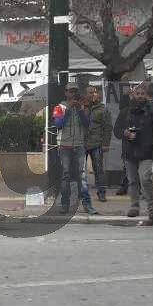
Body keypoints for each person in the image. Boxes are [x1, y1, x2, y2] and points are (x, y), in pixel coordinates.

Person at [112, 83, 153, 224]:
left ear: (146, 95)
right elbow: (116, 131)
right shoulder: (125, 112)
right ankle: (134, 206)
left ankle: (152, 209)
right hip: (129, 151)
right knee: (132, 181)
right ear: (133, 95)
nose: (140, 96)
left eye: (142, 94)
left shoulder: (152, 111)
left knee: (145, 179)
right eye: (137, 93)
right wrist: (125, 133)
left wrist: (150, 142)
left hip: (146, 152)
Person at [52, 86, 100, 215]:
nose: (73, 94)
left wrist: (79, 110)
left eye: (75, 91)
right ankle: (65, 204)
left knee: (82, 176)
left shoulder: (82, 107)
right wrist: (68, 109)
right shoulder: (59, 107)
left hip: (79, 146)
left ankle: (87, 205)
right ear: (66, 93)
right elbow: (59, 124)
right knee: (65, 175)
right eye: (71, 91)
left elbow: (87, 124)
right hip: (64, 146)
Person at [83, 86, 112, 202]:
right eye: (91, 92)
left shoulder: (103, 109)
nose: (94, 94)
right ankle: (81, 192)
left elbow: (108, 127)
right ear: (85, 95)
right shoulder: (81, 108)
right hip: (82, 143)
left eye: (95, 92)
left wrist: (105, 143)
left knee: (99, 170)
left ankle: (101, 193)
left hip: (97, 144)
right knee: (80, 170)